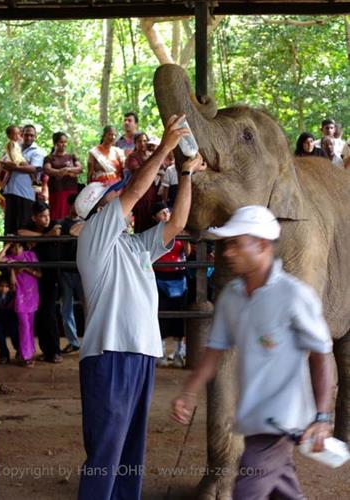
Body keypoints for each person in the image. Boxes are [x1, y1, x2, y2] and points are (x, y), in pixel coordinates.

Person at [73, 115, 206, 500]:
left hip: (141, 353)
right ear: (101, 209)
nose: (125, 199)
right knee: (106, 453)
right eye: (115, 195)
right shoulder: (95, 238)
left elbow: (178, 222)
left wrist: (186, 175)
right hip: (109, 353)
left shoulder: (133, 246)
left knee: (131, 452)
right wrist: (163, 148)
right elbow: (132, 192)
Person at [172, 205, 334, 500]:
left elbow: (321, 354)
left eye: (236, 243)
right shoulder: (232, 296)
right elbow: (215, 350)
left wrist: (323, 416)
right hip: (254, 418)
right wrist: (189, 391)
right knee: (283, 491)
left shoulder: (294, 295)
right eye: (227, 244)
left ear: (261, 245)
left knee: (248, 490)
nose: (228, 252)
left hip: (283, 420)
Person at [18, 201, 63, 363]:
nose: (46, 219)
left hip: (51, 277)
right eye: (42, 217)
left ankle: (55, 351)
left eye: (47, 216)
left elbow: (56, 232)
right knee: (39, 314)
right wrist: (45, 237)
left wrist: (37, 239)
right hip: (34, 279)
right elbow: (21, 232)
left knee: (49, 313)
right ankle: (46, 351)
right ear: (34, 217)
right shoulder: (29, 225)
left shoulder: (55, 224)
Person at [152, 202, 190, 368]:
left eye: (167, 212)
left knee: (179, 316)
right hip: (159, 276)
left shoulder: (179, 232)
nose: (166, 215)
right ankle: (159, 352)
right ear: (155, 217)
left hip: (178, 276)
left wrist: (185, 237)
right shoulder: (153, 234)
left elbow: (187, 253)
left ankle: (178, 353)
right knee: (160, 315)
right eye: (162, 213)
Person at [0, 242, 41, 367]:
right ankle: (25, 356)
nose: (16, 249)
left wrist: (25, 268)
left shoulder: (30, 255)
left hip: (32, 294)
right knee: (24, 326)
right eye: (13, 247)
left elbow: (39, 274)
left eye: (19, 246)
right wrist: (6, 246)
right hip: (19, 296)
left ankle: (29, 352)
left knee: (30, 326)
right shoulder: (10, 258)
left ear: (23, 247)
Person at [1, 124, 45, 235]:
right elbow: (5, 163)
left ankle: (24, 252)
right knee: (9, 228)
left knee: (23, 227)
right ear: (22, 135)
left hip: (25, 194)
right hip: (10, 192)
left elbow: (35, 169)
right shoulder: (13, 147)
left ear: (36, 136)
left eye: (32, 135)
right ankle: (9, 252)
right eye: (26, 135)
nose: (29, 137)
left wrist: (15, 167)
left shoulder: (38, 151)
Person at [59, 193, 84, 353]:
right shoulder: (62, 224)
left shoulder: (87, 222)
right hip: (66, 271)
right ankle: (74, 341)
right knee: (66, 309)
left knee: (89, 307)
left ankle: (90, 340)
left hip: (82, 271)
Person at [43, 132, 82, 220]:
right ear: (55, 143)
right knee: (57, 213)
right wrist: (60, 171)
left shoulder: (71, 156)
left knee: (72, 211)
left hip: (71, 189)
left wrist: (67, 170)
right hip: (56, 190)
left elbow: (79, 168)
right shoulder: (49, 158)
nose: (64, 144)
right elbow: (47, 170)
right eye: (61, 142)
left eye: (65, 142)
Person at [125, 132, 160, 232]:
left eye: (145, 140)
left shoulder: (151, 155)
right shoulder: (132, 157)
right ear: (135, 143)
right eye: (139, 141)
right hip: (140, 194)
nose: (142, 143)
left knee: (154, 219)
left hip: (154, 192)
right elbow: (138, 171)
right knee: (142, 221)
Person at [0, 273, 19, 365]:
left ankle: (19, 350)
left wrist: (12, 271)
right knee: (0, 337)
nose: (3, 288)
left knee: (14, 335)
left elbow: (14, 284)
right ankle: (4, 355)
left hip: (11, 316)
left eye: (6, 286)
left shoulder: (11, 293)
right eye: (1, 286)